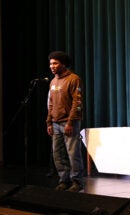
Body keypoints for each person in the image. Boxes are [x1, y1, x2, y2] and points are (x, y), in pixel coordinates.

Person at [46, 51, 84, 192]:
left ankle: (77, 182)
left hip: (69, 123)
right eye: (50, 64)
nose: (52, 66)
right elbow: (50, 104)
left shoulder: (73, 79)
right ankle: (64, 180)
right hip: (55, 123)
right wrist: (49, 122)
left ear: (63, 64)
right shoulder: (53, 81)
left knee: (73, 153)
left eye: (55, 63)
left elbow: (77, 103)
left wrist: (70, 122)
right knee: (58, 154)